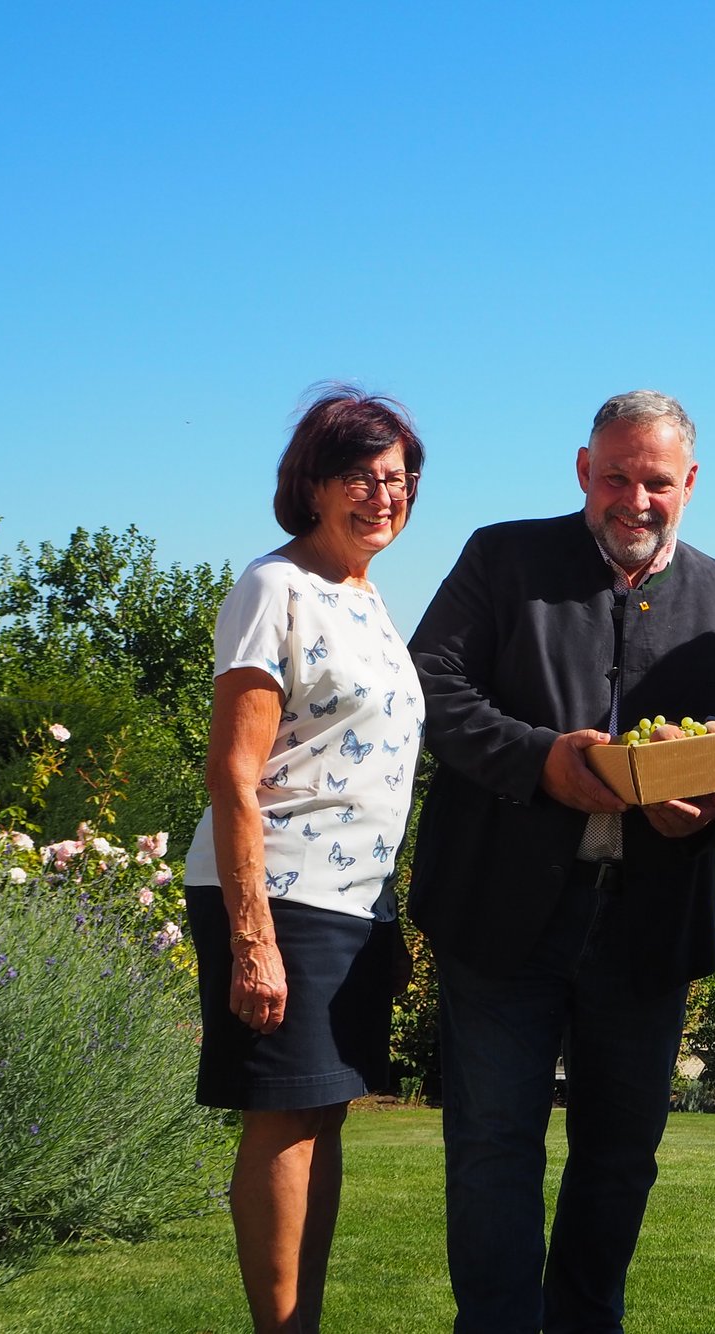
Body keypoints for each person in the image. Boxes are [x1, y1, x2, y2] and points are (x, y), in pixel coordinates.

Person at [408, 390, 715, 1333]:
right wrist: (542, 764)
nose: (634, 500)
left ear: (690, 484)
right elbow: (431, 686)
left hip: (644, 926)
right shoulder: (501, 557)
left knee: (620, 1157)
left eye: (656, 481)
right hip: (501, 914)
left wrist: (707, 816)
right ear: (582, 471)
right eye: (616, 477)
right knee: (493, 1148)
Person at [181, 387, 427, 1333]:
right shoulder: (273, 587)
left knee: (322, 1120)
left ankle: (302, 1322)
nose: (382, 495)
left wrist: (383, 914)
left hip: (351, 904)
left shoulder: (367, 600)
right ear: (314, 484)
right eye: (361, 476)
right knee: (283, 1122)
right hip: (277, 892)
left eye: (399, 479)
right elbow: (234, 775)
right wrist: (253, 937)